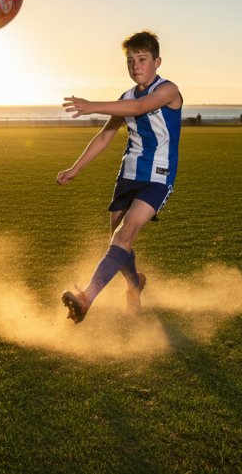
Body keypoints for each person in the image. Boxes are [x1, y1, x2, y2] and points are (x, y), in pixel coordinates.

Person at [56, 31, 183, 323]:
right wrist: (74, 169)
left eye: (142, 59)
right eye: (130, 61)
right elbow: (105, 137)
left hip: (158, 176)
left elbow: (139, 108)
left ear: (156, 61)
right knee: (117, 239)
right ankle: (134, 284)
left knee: (125, 234)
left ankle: (86, 298)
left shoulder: (169, 90)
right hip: (127, 175)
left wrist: (92, 106)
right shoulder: (125, 97)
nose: (136, 66)